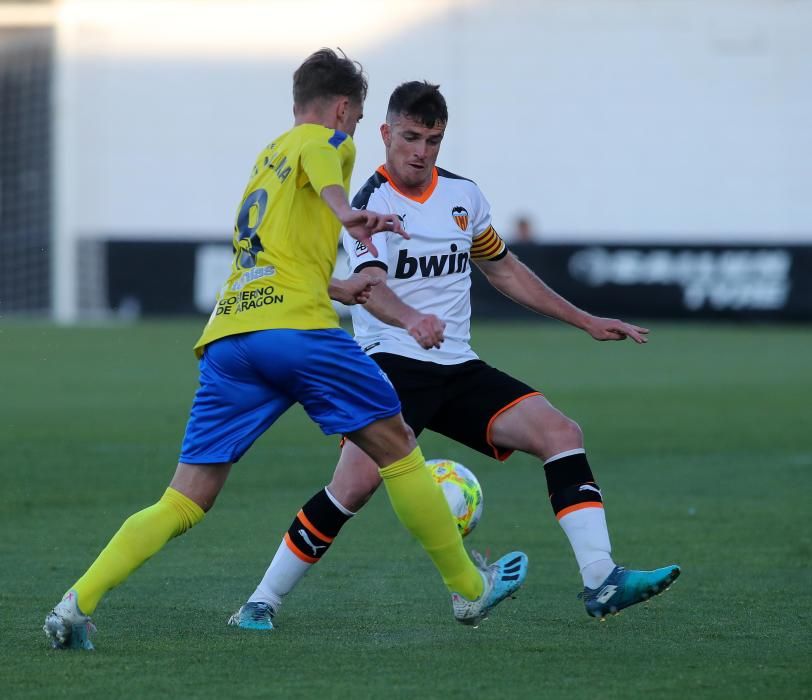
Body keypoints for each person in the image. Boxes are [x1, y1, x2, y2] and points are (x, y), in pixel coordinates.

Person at [43, 52, 527, 651]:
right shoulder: (328, 142)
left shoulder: (265, 161)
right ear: (345, 108)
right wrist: (349, 211)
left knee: (184, 497)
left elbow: (269, 256)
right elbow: (328, 162)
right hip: (298, 335)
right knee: (398, 446)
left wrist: (340, 286)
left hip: (232, 338)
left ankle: (75, 604)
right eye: (353, 120)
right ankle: (466, 585)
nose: (349, 132)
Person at [228, 81, 679, 631]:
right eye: (412, 137)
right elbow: (371, 283)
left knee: (562, 434)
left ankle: (601, 578)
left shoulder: (464, 198)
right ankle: (261, 602)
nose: (421, 151)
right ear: (386, 133)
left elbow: (503, 268)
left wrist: (584, 320)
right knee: (353, 487)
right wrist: (413, 321)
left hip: (458, 366)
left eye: (433, 140)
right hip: (391, 365)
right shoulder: (367, 204)